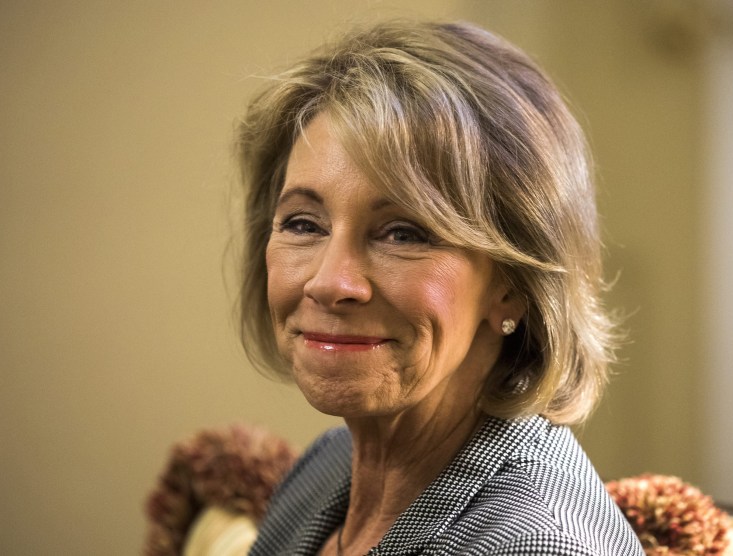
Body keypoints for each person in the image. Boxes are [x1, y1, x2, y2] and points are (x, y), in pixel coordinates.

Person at [237, 19, 644, 556]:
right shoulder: (326, 467)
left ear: (514, 286)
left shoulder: (538, 544)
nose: (331, 282)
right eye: (303, 224)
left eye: (403, 233)